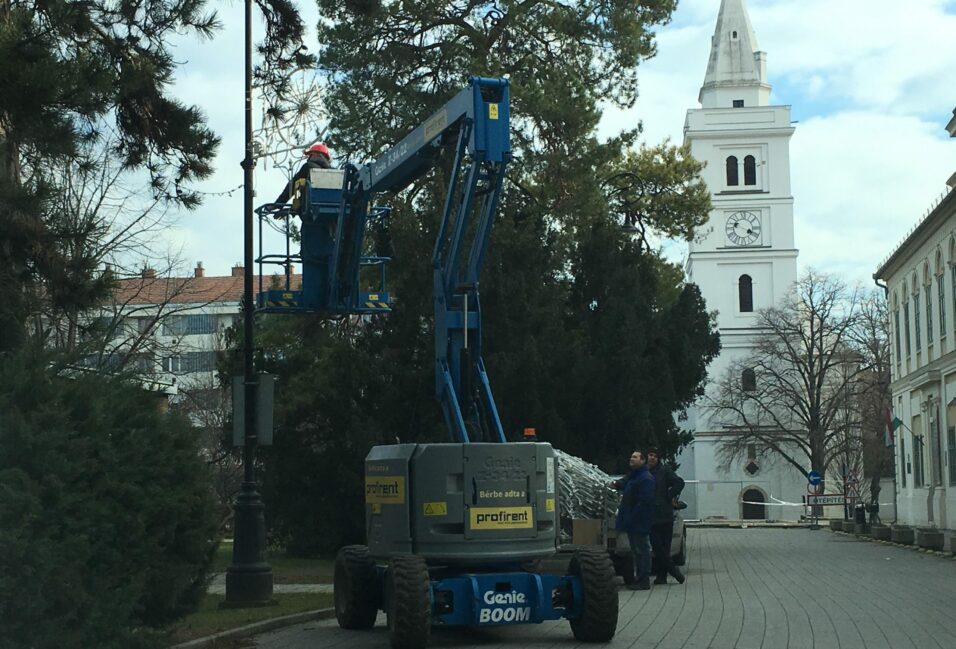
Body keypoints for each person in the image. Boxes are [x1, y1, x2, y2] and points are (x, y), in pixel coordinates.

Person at [611, 450, 655, 590]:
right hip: (632, 521)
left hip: (639, 522)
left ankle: (644, 579)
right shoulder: (635, 476)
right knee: (636, 551)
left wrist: (632, 517)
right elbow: (625, 482)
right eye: (631, 456)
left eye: (635, 457)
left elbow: (644, 502)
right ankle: (639, 577)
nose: (631, 459)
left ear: (642, 461)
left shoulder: (645, 478)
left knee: (642, 550)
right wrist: (616, 484)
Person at [646, 448, 686, 585]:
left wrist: (669, 495)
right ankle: (673, 572)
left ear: (658, 459)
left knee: (664, 547)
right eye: (650, 455)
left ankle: (663, 576)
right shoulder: (644, 472)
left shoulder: (664, 471)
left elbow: (679, 482)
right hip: (652, 515)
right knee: (657, 547)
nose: (652, 458)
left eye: (655, 456)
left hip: (665, 514)